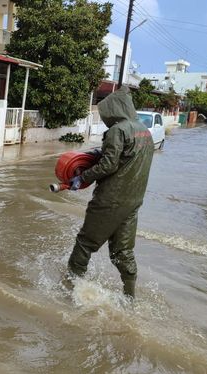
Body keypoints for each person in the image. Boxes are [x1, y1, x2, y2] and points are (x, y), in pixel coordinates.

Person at [66, 86, 154, 299]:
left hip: (109, 200)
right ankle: (129, 298)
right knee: (122, 253)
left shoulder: (118, 130)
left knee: (85, 244)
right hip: (132, 202)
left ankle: (68, 290)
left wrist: (81, 178)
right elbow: (124, 158)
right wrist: (99, 153)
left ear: (115, 109)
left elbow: (108, 166)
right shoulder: (145, 131)